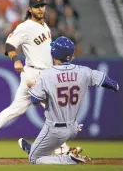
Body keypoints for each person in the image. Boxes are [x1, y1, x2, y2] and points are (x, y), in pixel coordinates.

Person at [18, 36, 119, 164]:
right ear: (71, 56)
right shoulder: (83, 71)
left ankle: (68, 158)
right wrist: (115, 85)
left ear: (53, 53)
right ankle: (36, 149)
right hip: (73, 127)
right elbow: (103, 79)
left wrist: (36, 88)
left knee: (34, 159)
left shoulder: (46, 75)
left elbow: (34, 100)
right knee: (41, 150)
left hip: (54, 129)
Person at [0, 0, 55, 155]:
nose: (40, 9)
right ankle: (62, 148)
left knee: (16, 108)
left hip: (43, 73)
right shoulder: (25, 26)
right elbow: (9, 44)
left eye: (42, 6)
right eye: (37, 6)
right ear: (30, 9)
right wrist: (16, 60)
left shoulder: (45, 26)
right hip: (35, 73)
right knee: (54, 110)